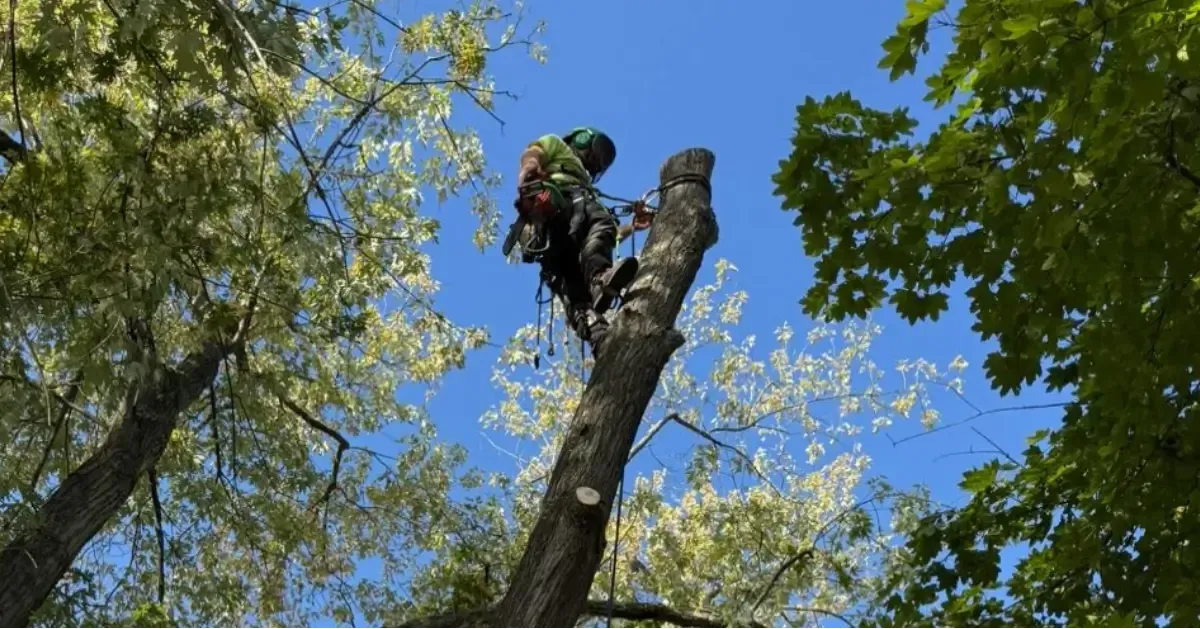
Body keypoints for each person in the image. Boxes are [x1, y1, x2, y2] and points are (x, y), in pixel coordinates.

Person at [507, 127, 646, 357]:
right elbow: (534, 152)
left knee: (576, 284)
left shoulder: (588, 189)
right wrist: (530, 167)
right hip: (562, 205)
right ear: (584, 140)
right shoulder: (558, 147)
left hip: (564, 233)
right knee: (599, 225)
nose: (598, 162)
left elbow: (607, 237)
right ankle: (600, 279)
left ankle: (599, 336)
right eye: (600, 153)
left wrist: (632, 226)